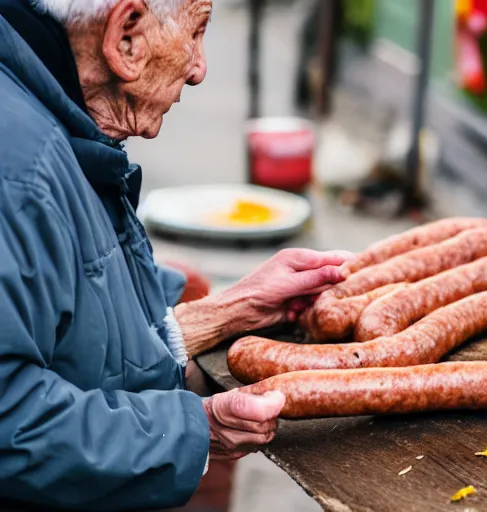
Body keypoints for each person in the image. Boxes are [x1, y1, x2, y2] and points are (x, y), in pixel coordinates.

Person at [0, 0, 354, 510]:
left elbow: (67, 345)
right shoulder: (19, 169)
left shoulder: (49, 117)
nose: (199, 69)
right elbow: (9, 419)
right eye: (198, 32)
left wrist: (227, 312)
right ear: (126, 35)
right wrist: (194, 432)